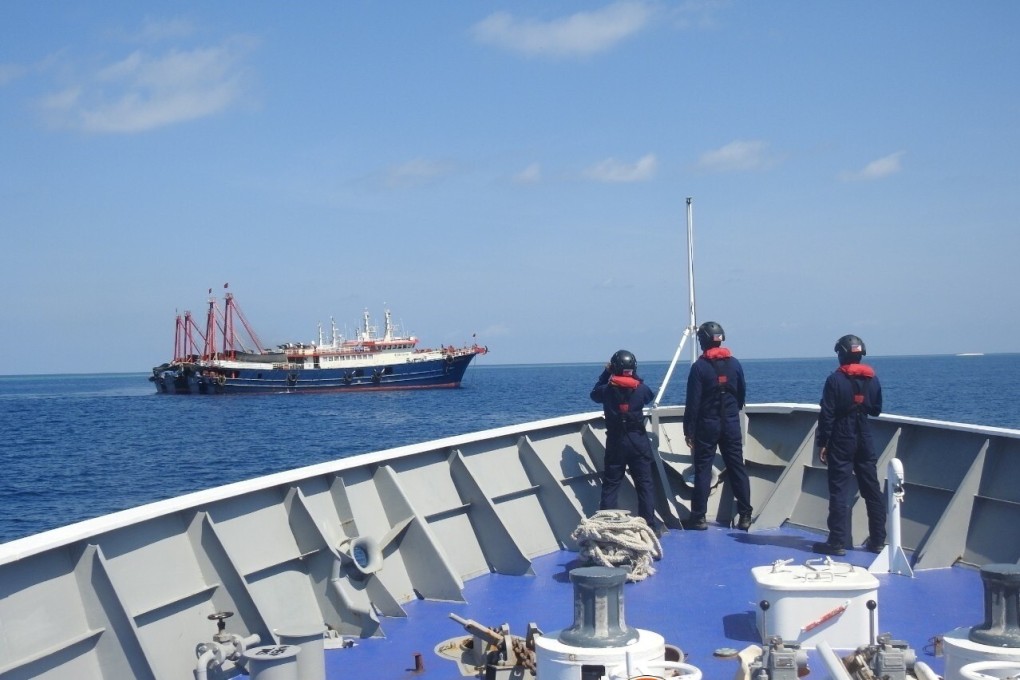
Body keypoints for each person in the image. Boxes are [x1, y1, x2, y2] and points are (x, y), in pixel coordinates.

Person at [813, 334, 887, 556]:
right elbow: (876, 409)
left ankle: (836, 542)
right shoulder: (872, 379)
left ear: (842, 354)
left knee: (839, 491)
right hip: (864, 435)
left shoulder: (834, 380)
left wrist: (823, 443)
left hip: (841, 436)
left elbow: (827, 414)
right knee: (872, 490)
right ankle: (878, 541)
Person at [682, 322, 752, 531]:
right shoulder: (735, 364)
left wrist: (689, 431)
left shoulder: (699, 367)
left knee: (703, 469)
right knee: (736, 466)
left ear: (702, 341)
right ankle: (746, 515)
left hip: (707, 423)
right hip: (730, 422)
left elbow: (693, 402)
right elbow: (741, 394)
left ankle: (699, 518)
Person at [590, 349, 662, 533]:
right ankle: (649, 527)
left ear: (614, 367)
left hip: (616, 442)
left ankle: (606, 526)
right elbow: (649, 396)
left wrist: (607, 373)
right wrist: (633, 374)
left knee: (611, 484)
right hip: (638, 442)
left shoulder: (606, 390)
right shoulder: (642, 390)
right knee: (644, 485)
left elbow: (594, 394)